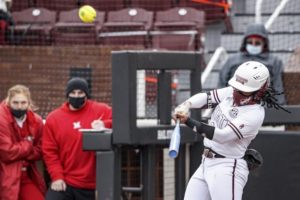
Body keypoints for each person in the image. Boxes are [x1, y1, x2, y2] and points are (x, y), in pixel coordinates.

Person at [174, 61, 286, 200]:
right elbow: (206, 97)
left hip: (227, 167)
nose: (237, 92)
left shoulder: (254, 114)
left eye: (243, 90)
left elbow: (222, 136)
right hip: (206, 163)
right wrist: (186, 105)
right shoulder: (231, 92)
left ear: (259, 90)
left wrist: (188, 121)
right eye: (236, 87)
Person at [42, 77, 112, 200]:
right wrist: (57, 177)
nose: (76, 96)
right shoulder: (53, 118)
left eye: (80, 93)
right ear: (67, 95)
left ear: (86, 94)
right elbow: (49, 152)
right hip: (67, 181)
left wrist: (105, 124)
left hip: (96, 183)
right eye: (73, 93)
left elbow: (122, 121)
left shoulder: (101, 110)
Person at [219, 23, 286, 105]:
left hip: (263, 108)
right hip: (234, 107)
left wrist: (278, 112)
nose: (253, 45)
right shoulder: (232, 61)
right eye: (250, 42)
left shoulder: (275, 62)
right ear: (245, 42)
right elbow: (221, 85)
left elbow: (278, 87)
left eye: (257, 43)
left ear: (264, 43)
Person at [0, 84, 46, 200]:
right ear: (8, 102)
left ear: (28, 103)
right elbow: (7, 152)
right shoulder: (2, 119)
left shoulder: (37, 121)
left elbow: (40, 149)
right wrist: (28, 144)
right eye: (15, 103)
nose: (19, 107)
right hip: (5, 173)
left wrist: (22, 152)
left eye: (23, 103)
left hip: (27, 174)